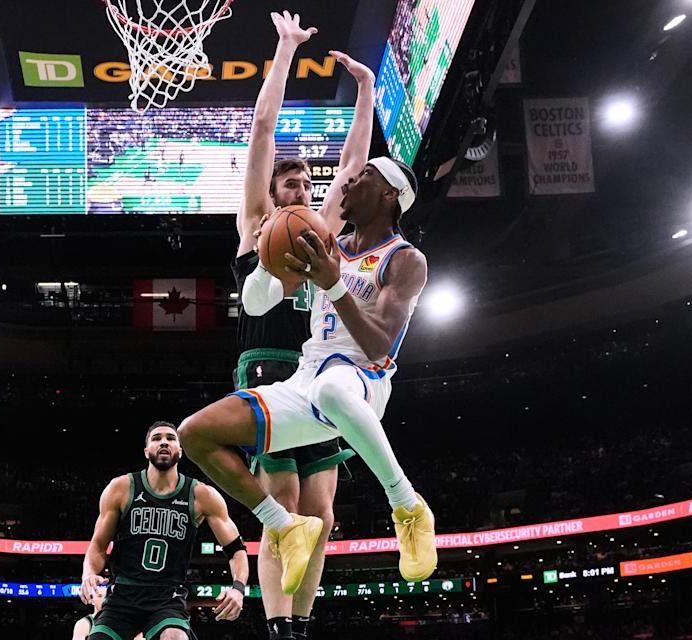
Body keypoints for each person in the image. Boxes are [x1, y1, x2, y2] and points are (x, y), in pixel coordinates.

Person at [180, 156, 437, 599]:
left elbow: (379, 346)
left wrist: (335, 285)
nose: (348, 183)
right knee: (195, 433)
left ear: (389, 195)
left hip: (364, 380)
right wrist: (265, 258)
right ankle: (284, 526)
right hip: (305, 380)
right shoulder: (327, 244)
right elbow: (257, 304)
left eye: (363, 177)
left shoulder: (405, 260)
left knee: (333, 386)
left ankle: (406, 503)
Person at [228, 12, 376, 640]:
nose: (300, 189)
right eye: (290, 182)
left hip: (319, 368)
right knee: (282, 510)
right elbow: (263, 127)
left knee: (321, 514)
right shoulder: (258, 222)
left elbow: (354, 165)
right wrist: (286, 49)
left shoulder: (325, 231)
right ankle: (275, 625)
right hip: (266, 362)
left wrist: (366, 93)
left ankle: (301, 627)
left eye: (305, 184)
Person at [80, 422, 249, 640]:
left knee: (174, 637)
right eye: (156, 438)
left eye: (170, 438)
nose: (163, 442)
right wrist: (88, 574)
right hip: (122, 596)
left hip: (167, 597)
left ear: (180, 450)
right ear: (146, 450)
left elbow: (236, 549)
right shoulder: (121, 488)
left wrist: (238, 588)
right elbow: (98, 545)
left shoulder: (201, 495)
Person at [72, 588, 143, 640]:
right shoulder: (84, 623)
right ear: (92, 600)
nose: (103, 600)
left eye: (106, 596)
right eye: (99, 596)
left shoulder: (121, 619)